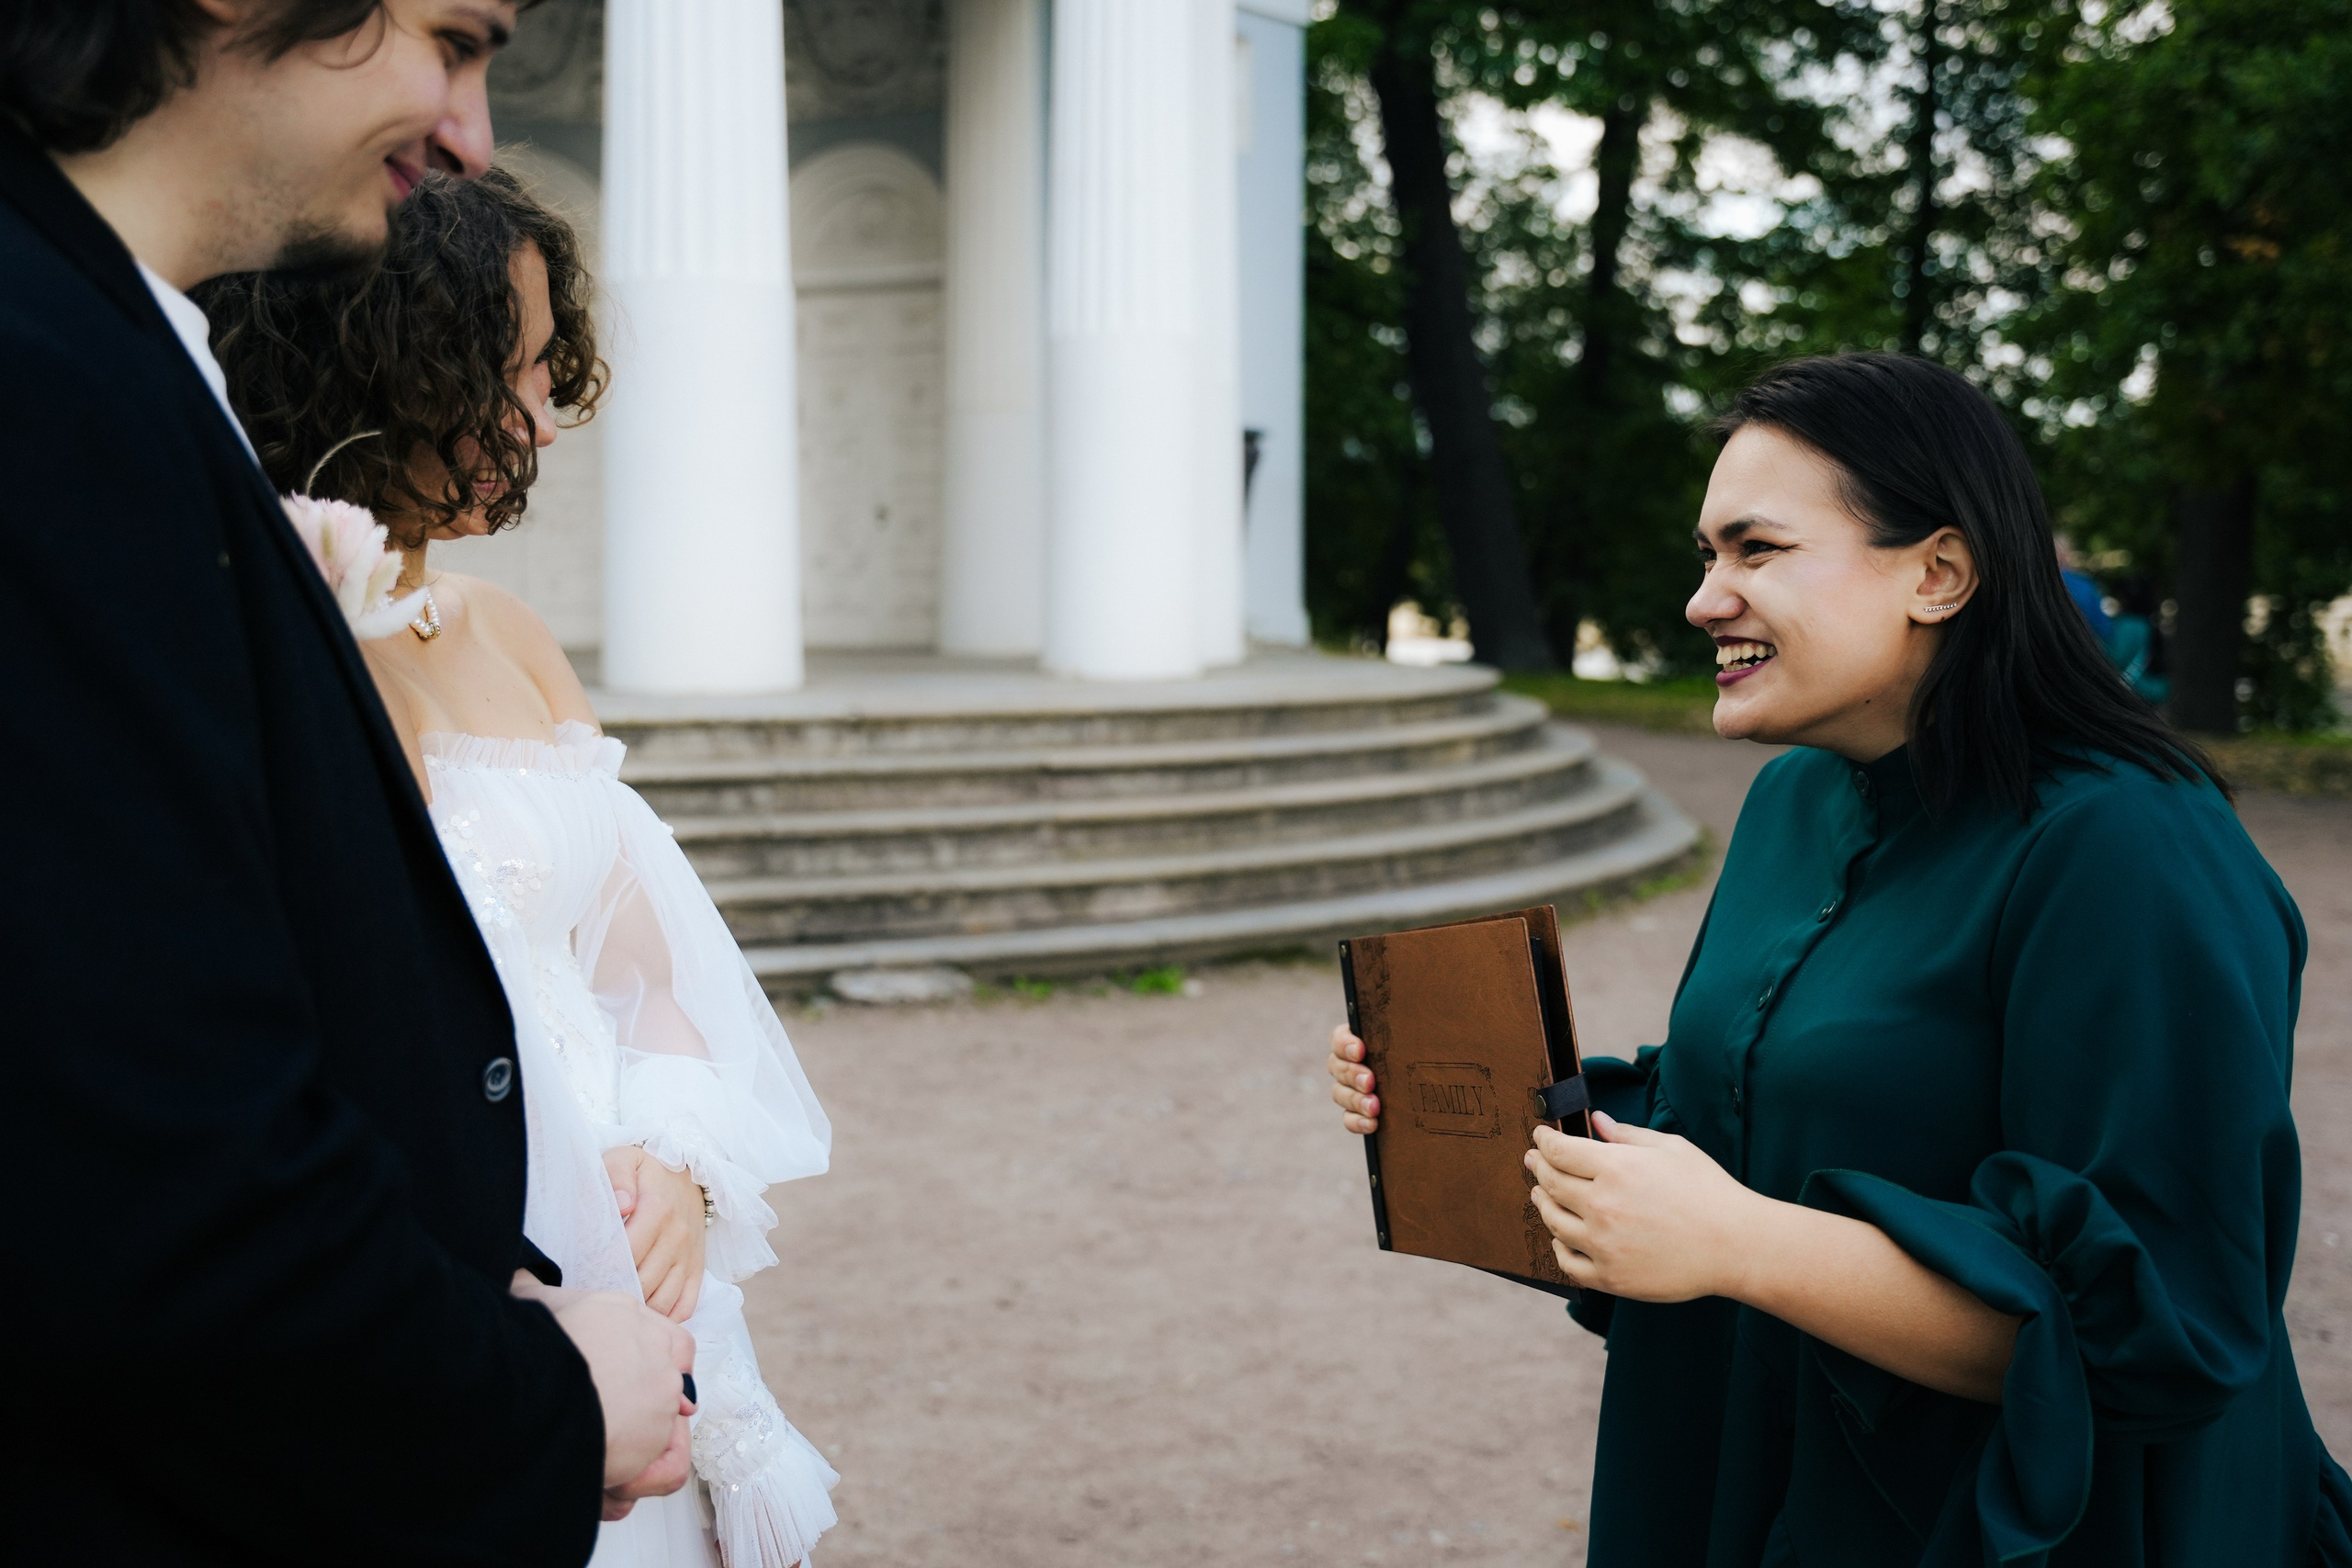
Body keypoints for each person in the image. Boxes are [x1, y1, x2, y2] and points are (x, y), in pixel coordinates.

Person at [1327, 353, 2351, 1563]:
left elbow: (2160, 1327)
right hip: (1754, 1481)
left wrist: (1741, 1242)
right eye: (1706, 555)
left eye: (1755, 549)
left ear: (1938, 572)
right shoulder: (1793, 801)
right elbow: (1741, 1118)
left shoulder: (2129, 849)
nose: (1705, 599)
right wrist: (1470, 1109)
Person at [3, 6, 695, 1563]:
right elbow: (144, 1171)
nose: (471, 133)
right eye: (451, 39)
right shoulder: (49, 390)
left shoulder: (113, 356)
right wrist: (542, 1398)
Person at [200, 165, 841, 1568]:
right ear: (386, 363)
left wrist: (678, 1164)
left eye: (551, 369)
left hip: (642, 1274)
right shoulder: (260, 650)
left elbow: (642, 968)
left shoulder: (507, 631)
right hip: (444, 1271)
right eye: (515, 371)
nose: (547, 416)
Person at [2106, 573, 2172, 706]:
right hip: (2153, 689)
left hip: (2137, 691)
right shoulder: (2149, 622)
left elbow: (2118, 659)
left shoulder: (2131, 624)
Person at [2055, 530, 2114, 642]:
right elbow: (2104, 629)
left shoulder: (2035, 583)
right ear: (2068, 553)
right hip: (2081, 644)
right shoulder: (2084, 585)